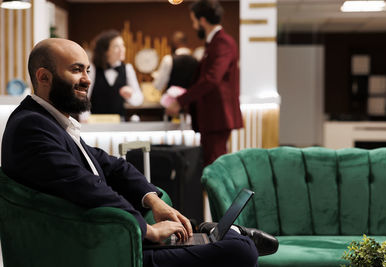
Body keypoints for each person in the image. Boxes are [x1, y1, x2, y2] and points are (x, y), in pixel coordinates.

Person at [1, 38, 277, 267]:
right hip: (95, 249)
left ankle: (211, 232)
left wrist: (154, 201)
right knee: (239, 250)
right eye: (76, 70)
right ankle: (221, 233)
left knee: (229, 243)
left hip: (104, 238)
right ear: (43, 77)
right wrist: (147, 230)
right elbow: (84, 185)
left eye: (87, 70)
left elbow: (110, 165)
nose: (86, 79)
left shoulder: (46, 120)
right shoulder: (33, 126)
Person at [166, 0, 243, 166]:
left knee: (215, 166)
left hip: (217, 117)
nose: (194, 26)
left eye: (194, 21)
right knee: (213, 164)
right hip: (213, 118)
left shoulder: (222, 42)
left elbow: (211, 79)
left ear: (202, 21)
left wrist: (180, 101)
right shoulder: (215, 42)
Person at [81, 30, 143, 121]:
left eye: (123, 45)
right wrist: (85, 118)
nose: (122, 49)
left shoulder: (128, 68)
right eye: (116, 46)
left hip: (119, 123)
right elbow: (84, 97)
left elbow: (139, 99)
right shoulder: (93, 69)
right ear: (105, 51)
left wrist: (130, 95)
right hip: (96, 122)